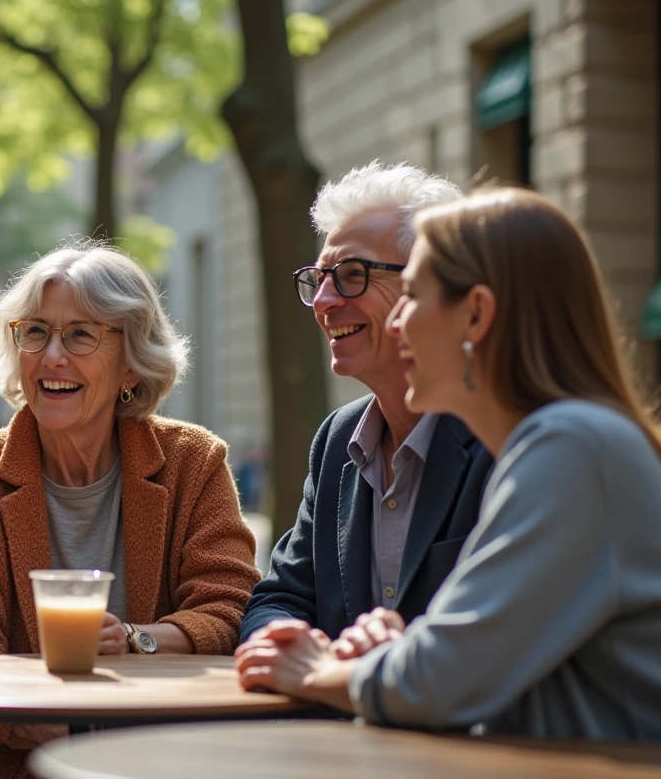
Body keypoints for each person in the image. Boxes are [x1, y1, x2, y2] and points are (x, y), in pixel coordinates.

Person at [238, 187, 661, 739]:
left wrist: (322, 669)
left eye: (413, 295)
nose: (396, 325)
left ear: (477, 314)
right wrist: (393, 653)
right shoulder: (565, 440)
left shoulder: (572, 447)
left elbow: (440, 678)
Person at [0, 241, 261, 779]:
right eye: (35, 332)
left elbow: (229, 609)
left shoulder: (193, 462)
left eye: (80, 334)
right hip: (9, 764)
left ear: (131, 363)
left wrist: (134, 640)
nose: (52, 355)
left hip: (170, 756)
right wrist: (57, 727)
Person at [236, 163, 494, 671]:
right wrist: (298, 647)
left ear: (437, 289)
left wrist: (339, 671)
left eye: (353, 275)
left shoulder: (504, 436)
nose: (325, 302)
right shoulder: (336, 439)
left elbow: (498, 641)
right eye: (319, 279)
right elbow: (277, 599)